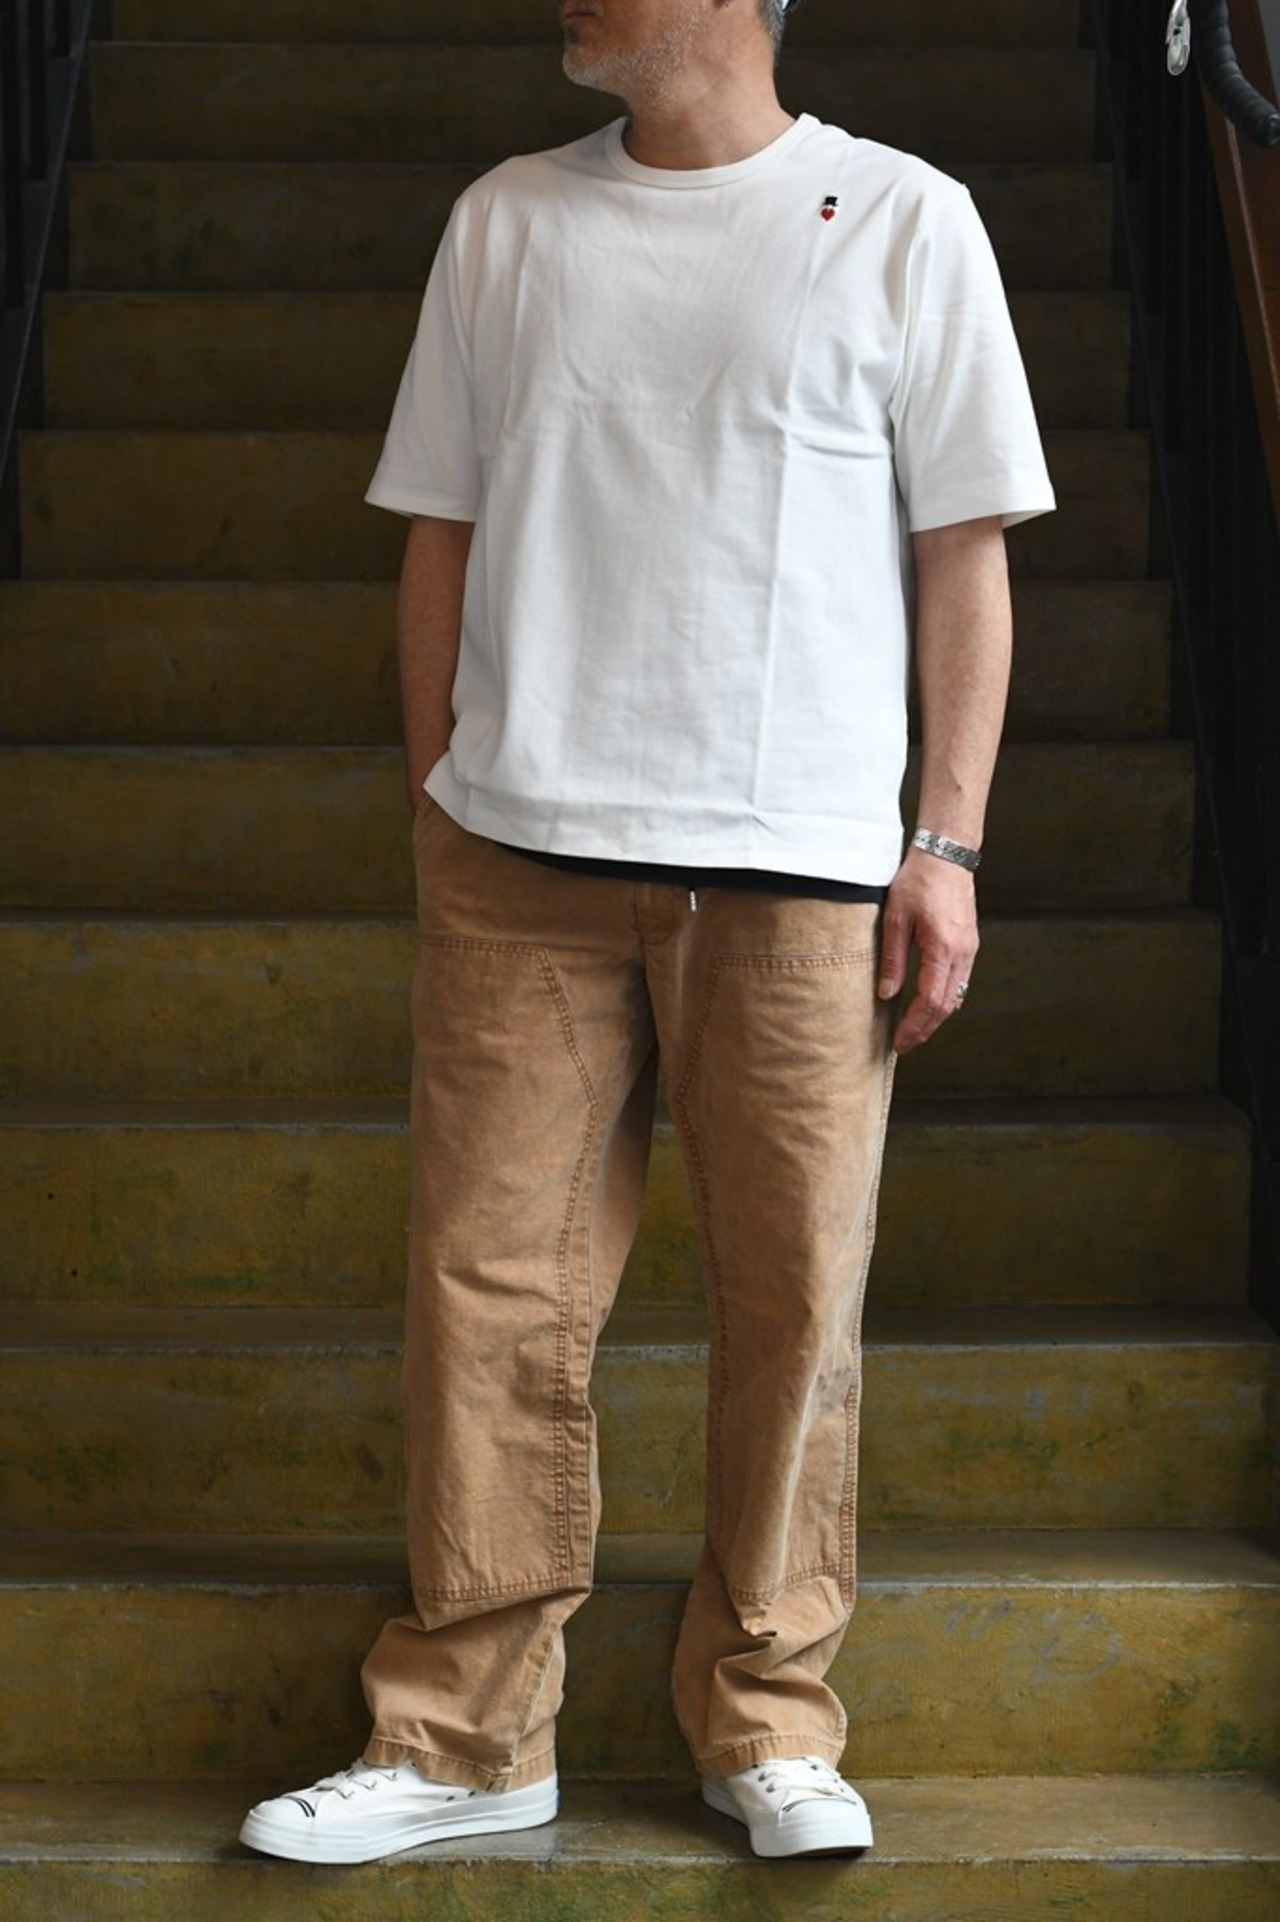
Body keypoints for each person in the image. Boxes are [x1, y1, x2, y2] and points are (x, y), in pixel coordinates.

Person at [239, 0, 1054, 1867]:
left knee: (795, 1299)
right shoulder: (506, 219)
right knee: (486, 1291)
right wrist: (442, 794)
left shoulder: (906, 218)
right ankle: (465, 1736)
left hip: (799, 863)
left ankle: (768, 1718)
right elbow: (438, 529)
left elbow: (964, 552)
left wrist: (945, 841)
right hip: (519, 854)